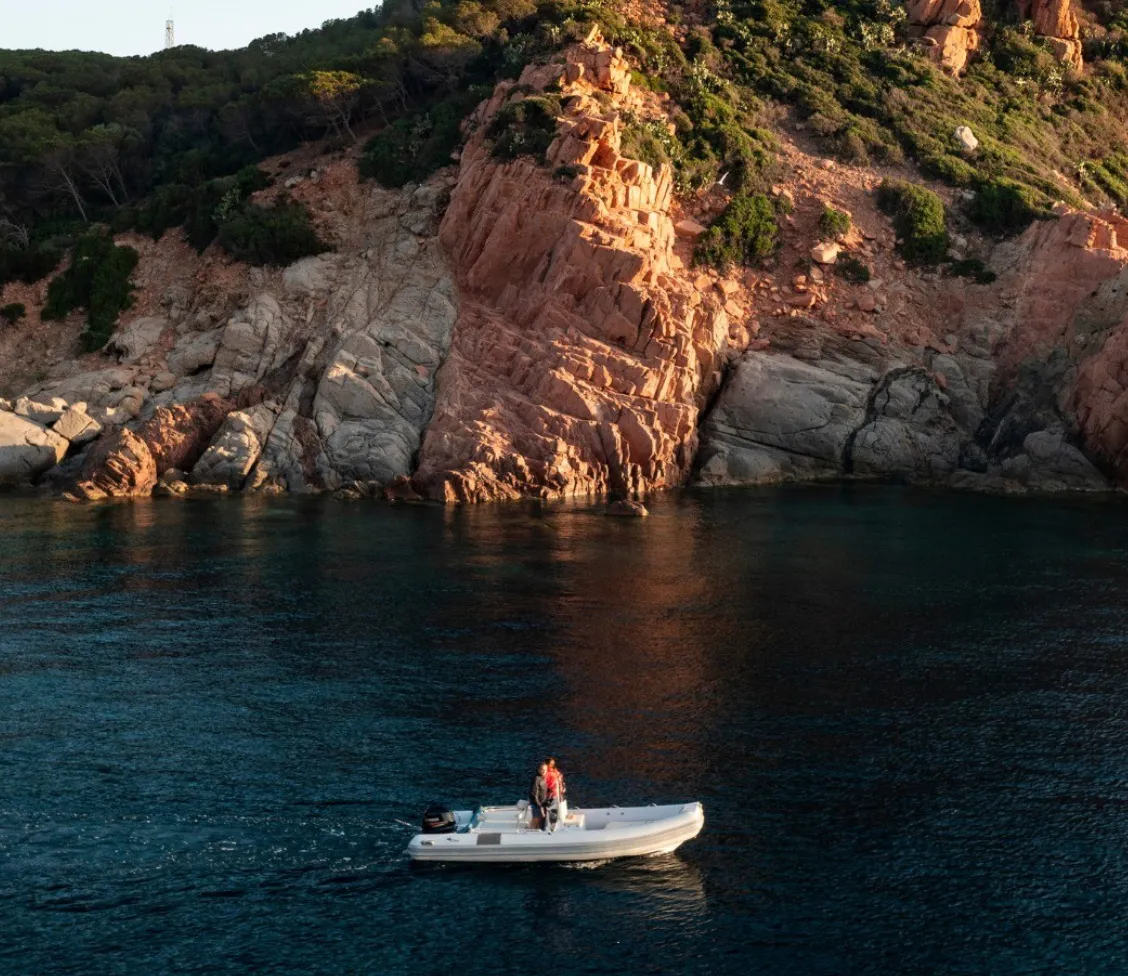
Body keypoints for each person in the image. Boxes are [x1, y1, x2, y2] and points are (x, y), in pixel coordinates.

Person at [545, 757, 567, 826]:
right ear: (547, 764)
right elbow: (545, 783)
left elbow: (560, 778)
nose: (552, 765)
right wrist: (548, 790)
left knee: (559, 807)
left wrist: (563, 786)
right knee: (552, 808)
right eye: (550, 763)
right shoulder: (546, 772)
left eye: (553, 763)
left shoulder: (555, 771)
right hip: (552, 794)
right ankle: (552, 824)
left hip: (559, 793)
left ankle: (558, 821)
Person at [529, 761, 550, 830]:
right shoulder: (537, 778)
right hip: (536, 803)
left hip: (542, 803)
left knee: (540, 819)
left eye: (545, 770)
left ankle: (535, 831)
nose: (543, 771)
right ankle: (531, 832)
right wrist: (539, 806)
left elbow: (543, 790)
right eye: (541, 769)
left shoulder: (543, 778)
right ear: (538, 770)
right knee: (536, 819)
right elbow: (534, 793)